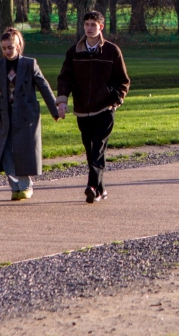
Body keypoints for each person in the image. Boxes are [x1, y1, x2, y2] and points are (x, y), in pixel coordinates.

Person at [56, 10, 130, 203]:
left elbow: (123, 81)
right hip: (82, 110)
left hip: (104, 109)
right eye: (87, 24)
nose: (89, 28)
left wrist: (116, 100)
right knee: (91, 151)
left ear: (101, 27)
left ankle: (91, 187)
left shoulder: (112, 51)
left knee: (97, 148)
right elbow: (65, 79)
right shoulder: (74, 52)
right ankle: (101, 189)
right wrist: (62, 101)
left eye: (93, 25)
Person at [0, 28, 61, 201]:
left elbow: (43, 86)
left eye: (10, 47)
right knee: (5, 151)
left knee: (23, 151)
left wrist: (55, 110)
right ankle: (15, 187)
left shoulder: (29, 64)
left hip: (26, 114)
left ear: (18, 46)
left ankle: (25, 185)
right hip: (6, 114)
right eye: (4, 48)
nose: (7, 51)